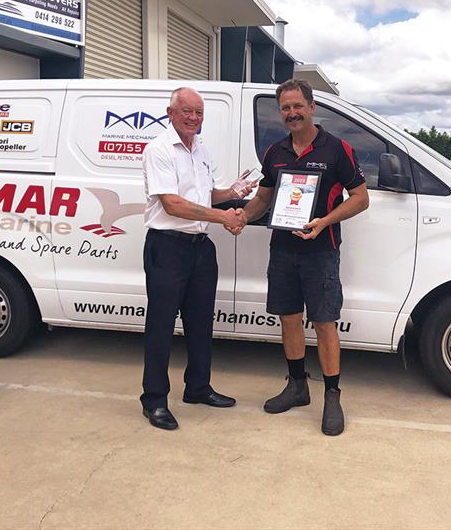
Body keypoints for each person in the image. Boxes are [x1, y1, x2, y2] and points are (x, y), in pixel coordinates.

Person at [237, 79, 369, 436]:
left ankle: (332, 396)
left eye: (298, 106)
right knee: (290, 320)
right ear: (280, 112)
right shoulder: (275, 152)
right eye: (285, 108)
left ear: (312, 107)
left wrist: (324, 221)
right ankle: (297, 386)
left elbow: (361, 198)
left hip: (321, 251)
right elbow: (263, 198)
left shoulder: (338, 149)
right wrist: (241, 217)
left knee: (325, 323)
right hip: (282, 250)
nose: (292, 113)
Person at [141, 87, 250, 431]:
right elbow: (173, 204)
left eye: (199, 113)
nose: (193, 118)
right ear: (170, 112)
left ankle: (198, 388)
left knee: (201, 323)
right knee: (160, 326)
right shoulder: (159, 149)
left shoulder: (200, 149)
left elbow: (205, 195)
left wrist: (231, 194)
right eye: (186, 111)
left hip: (200, 248)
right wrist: (224, 217)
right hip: (168, 247)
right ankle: (154, 400)